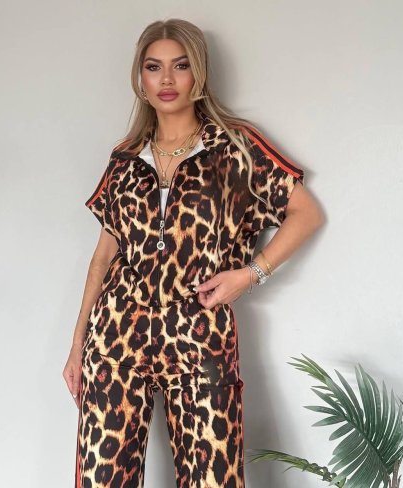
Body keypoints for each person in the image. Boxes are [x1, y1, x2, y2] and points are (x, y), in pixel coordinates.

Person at [63, 18, 324, 488]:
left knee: (213, 478)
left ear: (198, 73)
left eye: (180, 66)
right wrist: (78, 344)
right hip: (118, 332)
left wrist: (251, 273)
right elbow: (103, 258)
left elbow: (306, 214)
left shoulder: (234, 147)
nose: (166, 79)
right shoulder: (125, 158)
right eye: (153, 67)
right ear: (140, 79)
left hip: (200, 331)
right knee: (103, 479)